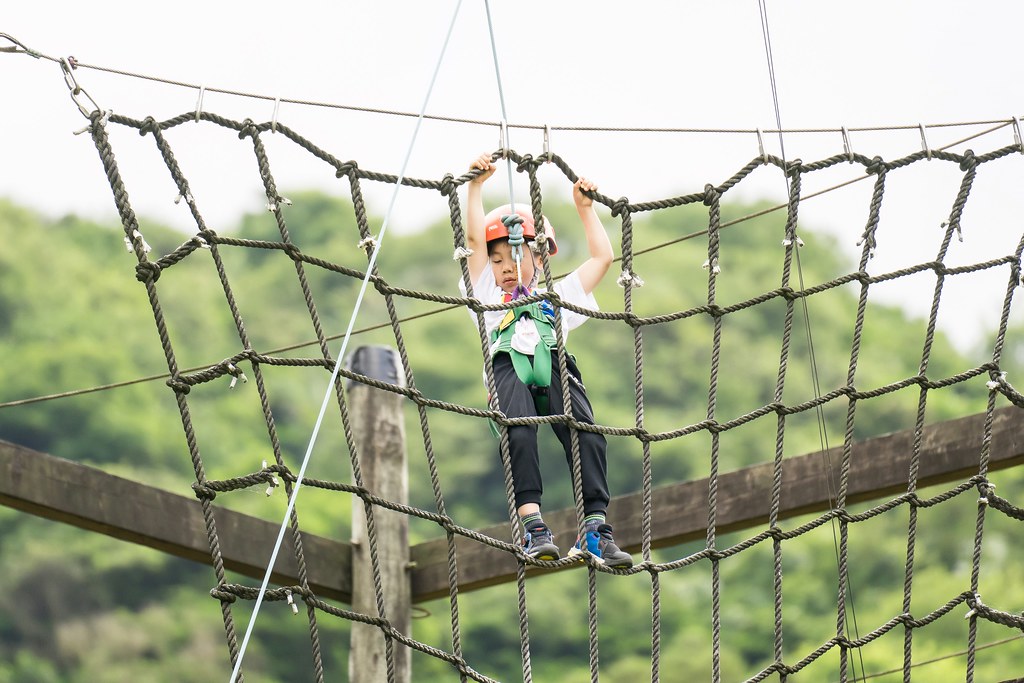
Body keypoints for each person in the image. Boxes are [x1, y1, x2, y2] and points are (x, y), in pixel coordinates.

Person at [457, 153, 633, 569]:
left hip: (553, 363)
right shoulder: (483, 292)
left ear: (541, 258)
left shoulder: (559, 293)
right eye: (498, 261)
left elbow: (603, 259)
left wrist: (585, 210)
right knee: (519, 434)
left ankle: (595, 530)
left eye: (515, 259)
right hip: (507, 368)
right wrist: (475, 187)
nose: (505, 269)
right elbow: (473, 240)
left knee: (588, 436)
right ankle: (533, 526)